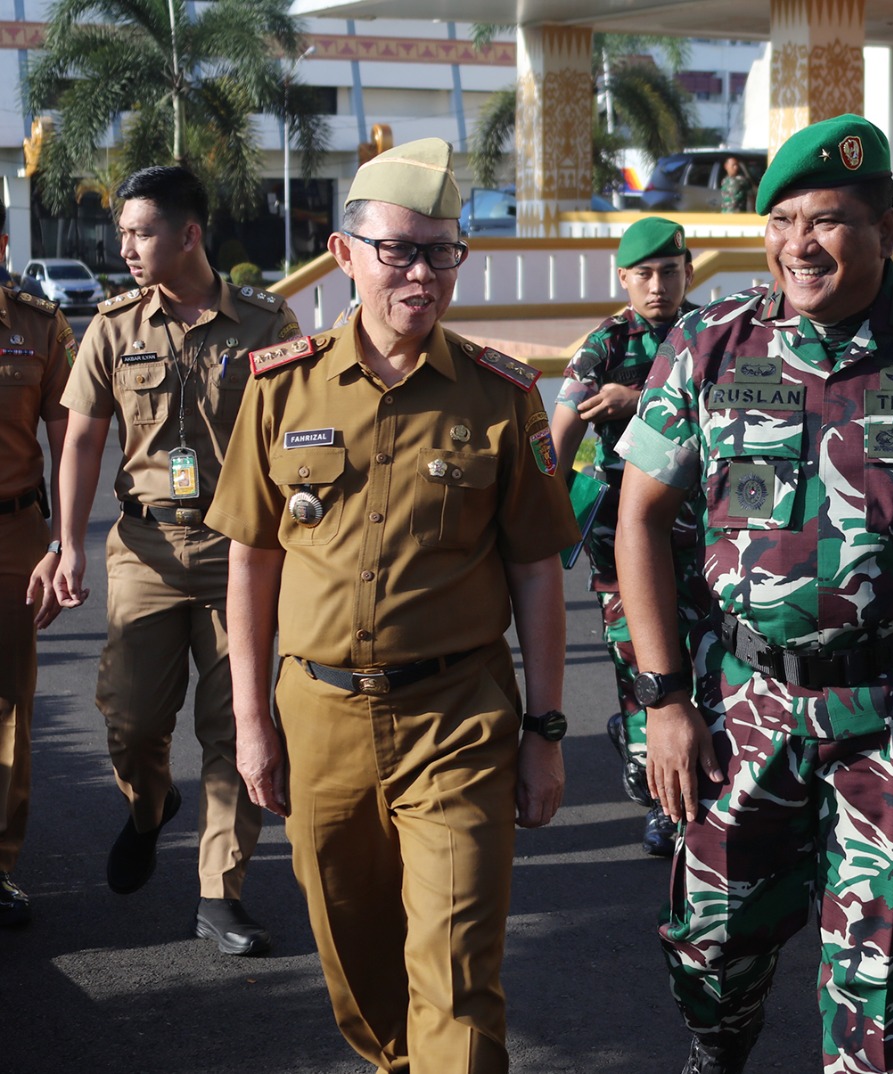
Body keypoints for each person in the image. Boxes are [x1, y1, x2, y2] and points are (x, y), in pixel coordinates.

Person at [615, 114, 893, 1074]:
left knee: (880, 974)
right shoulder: (709, 343)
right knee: (712, 948)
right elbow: (638, 517)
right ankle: (719, 1038)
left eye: (827, 221)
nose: (799, 245)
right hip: (743, 702)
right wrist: (664, 701)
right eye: (782, 221)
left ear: (885, 228)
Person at [208, 137, 579, 1073]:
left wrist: (545, 729)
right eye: (400, 250)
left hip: (456, 718)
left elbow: (538, 571)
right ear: (344, 254)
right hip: (319, 718)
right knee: (358, 964)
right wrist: (251, 723)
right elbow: (251, 561)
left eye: (442, 251)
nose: (423, 272)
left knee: (456, 974)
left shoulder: (501, 395)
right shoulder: (280, 386)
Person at [52, 165, 299, 955]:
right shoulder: (112, 325)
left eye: (141, 232)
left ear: (189, 234)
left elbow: (298, 436)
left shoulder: (265, 322)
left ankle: (219, 893)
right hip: (145, 551)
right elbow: (82, 439)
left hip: (241, 552)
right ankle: (149, 805)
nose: (125, 247)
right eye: (122, 232)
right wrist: (67, 544)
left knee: (236, 724)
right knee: (131, 720)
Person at [552, 216, 706, 857]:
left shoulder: (711, 331)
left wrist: (635, 398)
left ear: (688, 272)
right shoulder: (605, 344)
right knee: (641, 659)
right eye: (644, 274)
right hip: (624, 536)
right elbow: (560, 437)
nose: (657, 285)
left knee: (701, 655)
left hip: (702, 534)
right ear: (624, 278)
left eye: (669, 272)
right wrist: (544, 530)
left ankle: (689, 780)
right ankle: (660, 798)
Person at [0, 214, 77, 927]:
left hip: (13, 531)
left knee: (8, 704)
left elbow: (69, 441)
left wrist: (60, 543)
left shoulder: (38, 325)